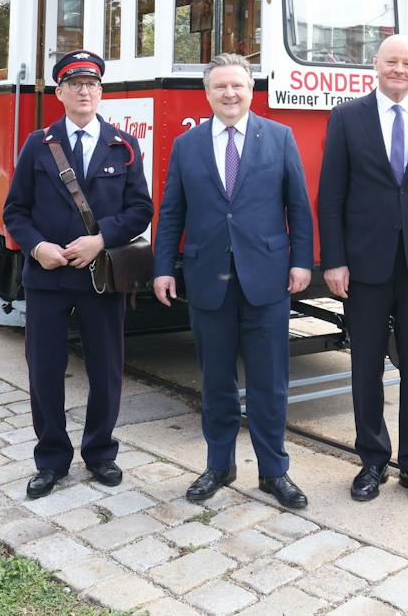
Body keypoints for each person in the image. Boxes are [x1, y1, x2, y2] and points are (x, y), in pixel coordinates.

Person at [154, 53, 315, 507]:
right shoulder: (187, 145)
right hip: (209, 279)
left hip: (266, 279)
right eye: (221, 87)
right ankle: (219, 466)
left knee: (270, 382)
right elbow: (171, 213)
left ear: (251, 91)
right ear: (207, 94)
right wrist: (163, 267)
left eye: (238, 87)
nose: (230, 94)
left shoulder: (280, 138)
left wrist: (302, 262)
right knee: (217, 381)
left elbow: (298, 208)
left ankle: (273, 472)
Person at [3, 51, 153, 500]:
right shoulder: (38, 144)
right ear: (60, 92)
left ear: (101, 92)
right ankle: (50, 460)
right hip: (47, 278)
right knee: (44, 371)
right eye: (75, 84)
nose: (84, 91)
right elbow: (15, 210)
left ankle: (101, 452)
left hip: (100, 278)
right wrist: (37, 247)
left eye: (92, 84)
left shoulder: (122, 145)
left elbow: (140, 209)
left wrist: (101, 239)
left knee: (106, 369)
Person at [318, 35, 408, 507]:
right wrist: (334, 260)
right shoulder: (347, 117)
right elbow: (331, 195)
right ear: (375, 66)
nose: (399, 69)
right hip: (364, 264)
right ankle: (372, 461)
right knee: (366, 366)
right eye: (391, 61)